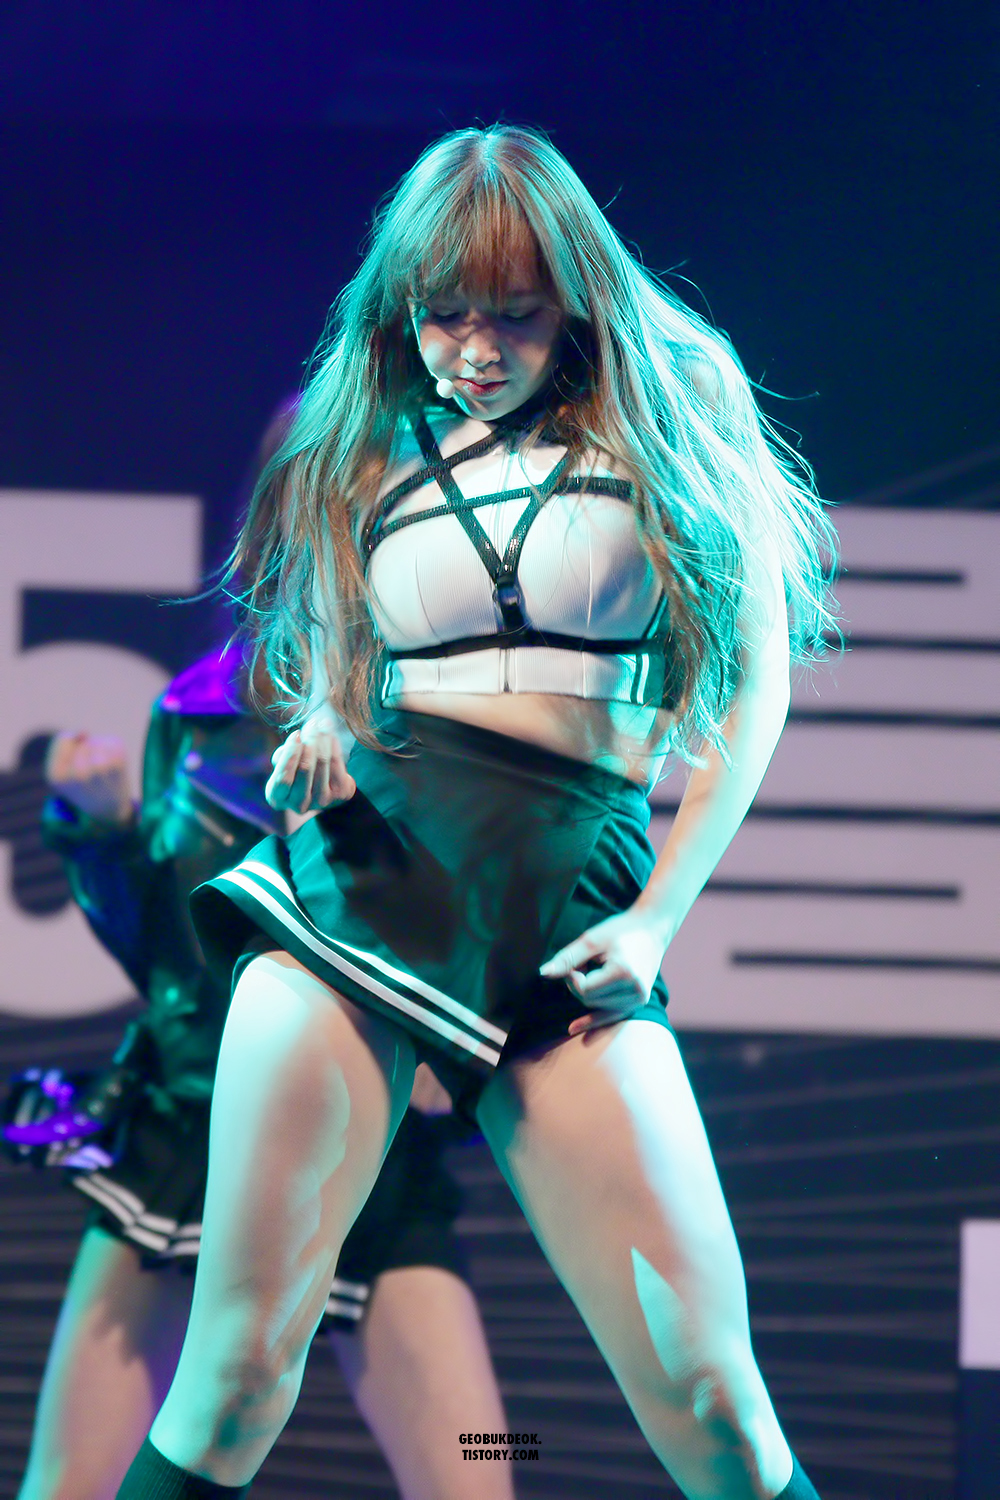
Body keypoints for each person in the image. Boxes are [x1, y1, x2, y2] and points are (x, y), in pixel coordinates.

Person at [116, 124, 836, 1500]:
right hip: (362, 886)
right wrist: (325, 727)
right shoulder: (363, 441)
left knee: (716, 1407)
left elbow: (756, 691)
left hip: (573, 909)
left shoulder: (676, 406)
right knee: (236, 1381)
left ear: (575, 300)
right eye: (444, 314)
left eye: (514, 314)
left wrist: (662, 915)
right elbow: (342, 665)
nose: (476, 350)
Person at [11, 641, 514, 1500]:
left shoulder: (435, 716)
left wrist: (455, 1041)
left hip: (377, 1172)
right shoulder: (205, 716)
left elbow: (487, 929)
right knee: (70, 1484)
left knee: (483, 1467)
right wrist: (101, 829)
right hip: (193, 1157)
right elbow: (162, 947)